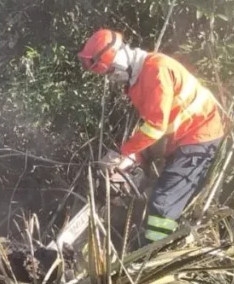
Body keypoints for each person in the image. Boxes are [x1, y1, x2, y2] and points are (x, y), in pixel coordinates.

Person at [77, 30, 225, 245]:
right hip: (178, 135)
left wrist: (124, 153)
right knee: (134, 169)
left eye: (110, 73)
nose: (112, 78)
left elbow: (155, 127)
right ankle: (130, 216)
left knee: (162, 202)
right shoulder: (136, 80)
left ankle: (153, 251)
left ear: (118, 62)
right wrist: (133, 158)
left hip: (199, 137)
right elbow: (153, 126)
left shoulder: (156, 71)